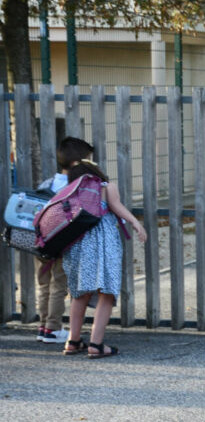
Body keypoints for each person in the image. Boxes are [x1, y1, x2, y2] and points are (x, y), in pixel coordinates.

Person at [61, 141, 147, 357]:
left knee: (79, 293)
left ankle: (73, 341)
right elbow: (117, 207)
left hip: (77, 242)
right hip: (104, 241)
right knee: (106, 292)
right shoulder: (106, 186)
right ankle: (96, 345)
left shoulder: (69, 188)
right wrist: (135, 223)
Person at [34, 137, 92, 344]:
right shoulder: (74, 186)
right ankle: (53, 328)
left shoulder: (47, 183)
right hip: (60, 243)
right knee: (59, 286)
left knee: (44, 286)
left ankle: (43, 327)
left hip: (40, 242)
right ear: (78, 163)